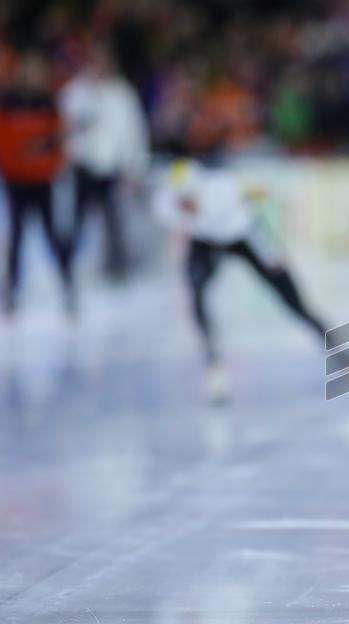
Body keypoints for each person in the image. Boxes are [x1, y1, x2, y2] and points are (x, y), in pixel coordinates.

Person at [151, 156, 328, 402]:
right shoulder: (166, 204)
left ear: (201, 190)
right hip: (206, 240)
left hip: (244, 234)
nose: (187, 206)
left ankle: (328, 338)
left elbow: (264, 191)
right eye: (182, 202)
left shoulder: (223, 189)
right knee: (196, 291)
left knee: (292, 300)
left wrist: (274, 252)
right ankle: (213, 363)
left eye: (191, 200)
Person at [59, 43, 149, 279]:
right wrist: (72, 158)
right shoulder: (75, 92)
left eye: (104, 60)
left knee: (116, 221)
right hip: (84, 168)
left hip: (113, 168)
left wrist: (136, 165)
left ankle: (117, 268)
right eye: (94, 60)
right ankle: (66, 267)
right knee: (76, 221)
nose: (99, 66)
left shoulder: (122, 93)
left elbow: (134, 131)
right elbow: (65, 131)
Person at [0, 51, 74, 317]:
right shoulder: (9, 101)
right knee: (17, 238)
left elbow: (58, 140)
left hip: (43, 182)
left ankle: (68, 288)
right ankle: (11, 294)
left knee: (53, 235)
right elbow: (4, 140)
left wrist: (47, 164)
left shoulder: (48, 102)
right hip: (17, 182)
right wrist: (15, 164)